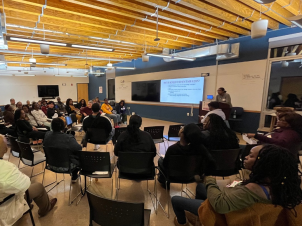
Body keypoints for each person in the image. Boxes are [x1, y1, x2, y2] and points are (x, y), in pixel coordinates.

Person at [171, 145, 302, 226]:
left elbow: (220, 205)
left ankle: (182, 223)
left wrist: (209, 180)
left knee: (176, 199)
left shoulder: (252, 189)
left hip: (223, 212)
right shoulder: (280, 183)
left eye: (251, 156)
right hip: (238, 204)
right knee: (200, 188)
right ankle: (200, 216)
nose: (245, 157)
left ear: (264, 164)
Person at [0, 137, 57, 225]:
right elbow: (25, 185)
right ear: (4, 150)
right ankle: (45, 209)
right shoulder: (6, 168)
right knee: (38, 187)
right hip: (6, 206)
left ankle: (26, 206)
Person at [157, 124, 215, 190]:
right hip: (191, 177)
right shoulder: (199, 149)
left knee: (160, 160)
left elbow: (165, 164)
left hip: (173, 177)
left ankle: (164, 181)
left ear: (182, 134)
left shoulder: (172, 149)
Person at [43, 118, 82, 182]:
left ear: (52, 126)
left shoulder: (47, 135)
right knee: (79, 156)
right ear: (63, 127)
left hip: (51, 164)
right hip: (67, 167)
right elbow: (79, 148)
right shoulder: (68, 137)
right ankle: (74, 176)